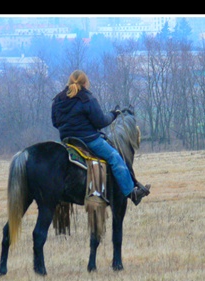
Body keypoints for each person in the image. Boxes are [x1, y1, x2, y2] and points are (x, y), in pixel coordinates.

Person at [51, 70, 150, 205]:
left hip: (66, 141)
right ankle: (132, 193)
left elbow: (55, 122)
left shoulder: (58, 99)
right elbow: (101, 122)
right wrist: (113, 115)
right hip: (87, 140)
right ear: (85, 83)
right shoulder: (87, 98)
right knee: (115, 157)